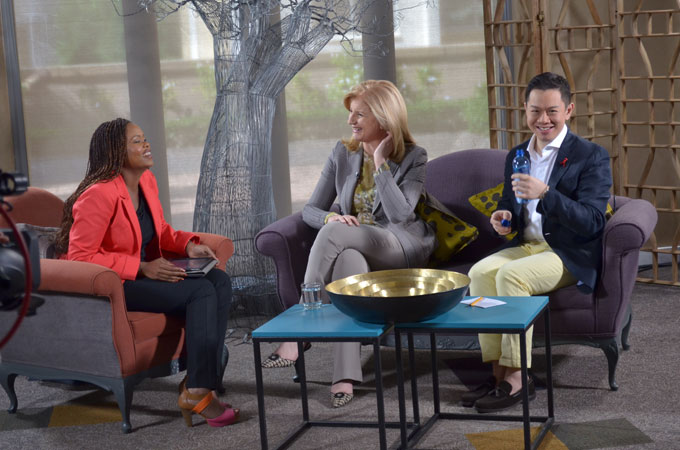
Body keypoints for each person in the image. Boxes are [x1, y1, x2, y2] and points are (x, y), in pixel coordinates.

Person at [261, 80, 436, 408]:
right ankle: (344, 377)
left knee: (334, 234)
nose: (350, 121)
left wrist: (381, 163)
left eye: (360, 114)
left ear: (383, 118)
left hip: (398, 246)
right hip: (357, 246)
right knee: (348, 263)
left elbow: (400, 214)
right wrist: (331, 217)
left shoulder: (414, 157)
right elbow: (311, 210)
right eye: (351, 113)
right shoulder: (343, 152)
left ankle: (300, 328)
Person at [54, 118, 238, 428]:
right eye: (137, 141)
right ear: (116, 151)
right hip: (116, 284)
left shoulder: (146, 182)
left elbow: (160, 231)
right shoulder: (98, 195)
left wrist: (189, 246)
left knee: (218, 280)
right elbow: (80, 257)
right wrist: (140, 267)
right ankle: (198, 391)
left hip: (142, 274)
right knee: (200, 290)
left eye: (144, 138)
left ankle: (198, 382)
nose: (146, 144)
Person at [463, 72, 612, 413]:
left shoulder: (591, 155)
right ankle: (497, 373)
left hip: (567, 252)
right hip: (527, 245)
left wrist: (546, 194)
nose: (543, 119)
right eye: (535, 111)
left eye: (552, 111)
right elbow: (508, 204)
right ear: (525, 109)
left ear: (568, 110)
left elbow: (593, 220)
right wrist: (502, 219)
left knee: (510, 276)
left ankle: (518, 377)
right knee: (479, 273)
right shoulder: (517, 154)